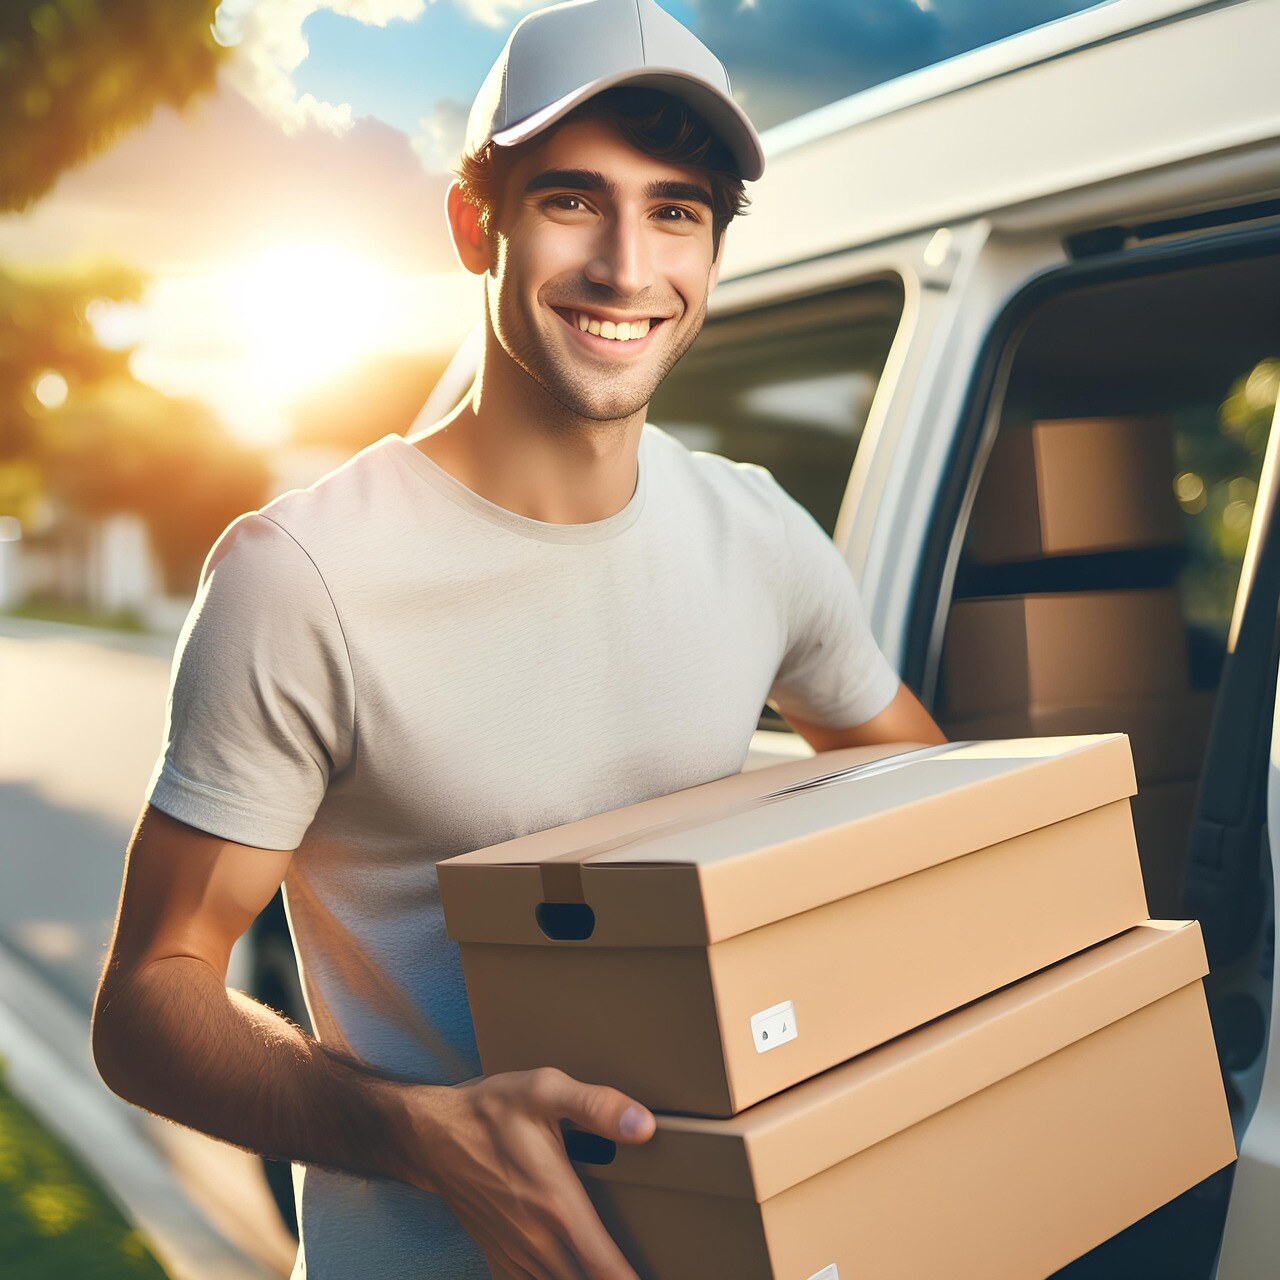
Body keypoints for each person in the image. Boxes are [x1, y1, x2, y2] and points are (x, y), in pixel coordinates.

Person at [92, 1, 946, 1277]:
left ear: (711, 252)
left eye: (675, 211)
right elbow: (148, 1004)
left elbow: (926, 810)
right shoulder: (303, 575)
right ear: (470, 223)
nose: (624, 266)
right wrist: (421, 1136)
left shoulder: (757, 531)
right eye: (569, 200)